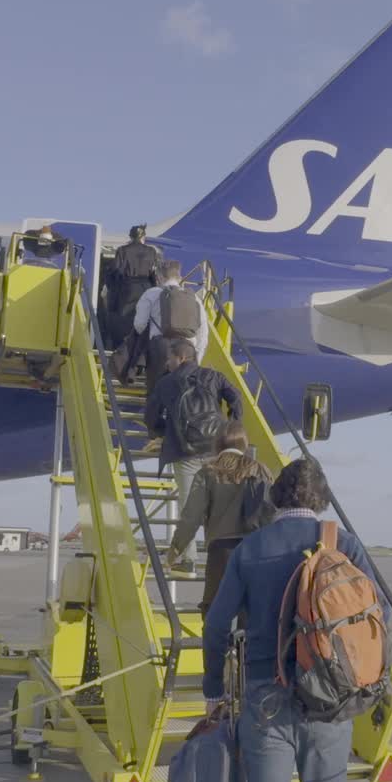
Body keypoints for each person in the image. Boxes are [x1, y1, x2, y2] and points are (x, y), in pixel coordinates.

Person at [201, 457, 381, 782]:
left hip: (266, 702)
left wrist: (212, 688)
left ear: (276, 498)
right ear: (320, 499)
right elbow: (371, 615)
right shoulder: (343, 544)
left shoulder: (250, 549)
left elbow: (216, 624)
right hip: (329, 704)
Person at [143, 338, 241, 565]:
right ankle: (221, 557)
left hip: (183, 451)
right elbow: (235, 397)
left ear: (181, 358)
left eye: (170, 358)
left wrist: (162, 432)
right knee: (218, 504)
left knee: (189, 506)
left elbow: (149, 417)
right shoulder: (214, 376)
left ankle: (188, 559)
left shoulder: (165, 383)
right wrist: (231, 424)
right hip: (216, 449)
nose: (167, 363)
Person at [165, 420, 272, 615]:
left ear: (217, 444)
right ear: (244, 444)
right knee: (253, 612)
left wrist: (176, 548)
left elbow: (192, 516)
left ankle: (217, 644)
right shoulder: (261, 470)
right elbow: (272, 512)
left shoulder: (208, 472)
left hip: (221, 553)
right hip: (257, 550)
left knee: (214, 610)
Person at [130, 260, 207, 393]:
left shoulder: (151, 293)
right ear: (180, 277)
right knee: (182, 397)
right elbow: (203, 333)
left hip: (161, 347)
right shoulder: (194, 297)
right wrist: (196, 358)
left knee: (156, 395)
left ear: (159, 277)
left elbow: (139, 325)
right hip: (188, 350)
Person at [106, 225, 160, 373]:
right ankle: (139, 359)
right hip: (146, 288)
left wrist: (113, 289)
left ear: (130, 237)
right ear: (143, 237)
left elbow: (115, 271)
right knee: (143, 324)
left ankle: (121, 358)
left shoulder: (123, 250)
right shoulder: (151, 251)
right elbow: (155, 274)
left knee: (124, 323)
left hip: (127, 289)